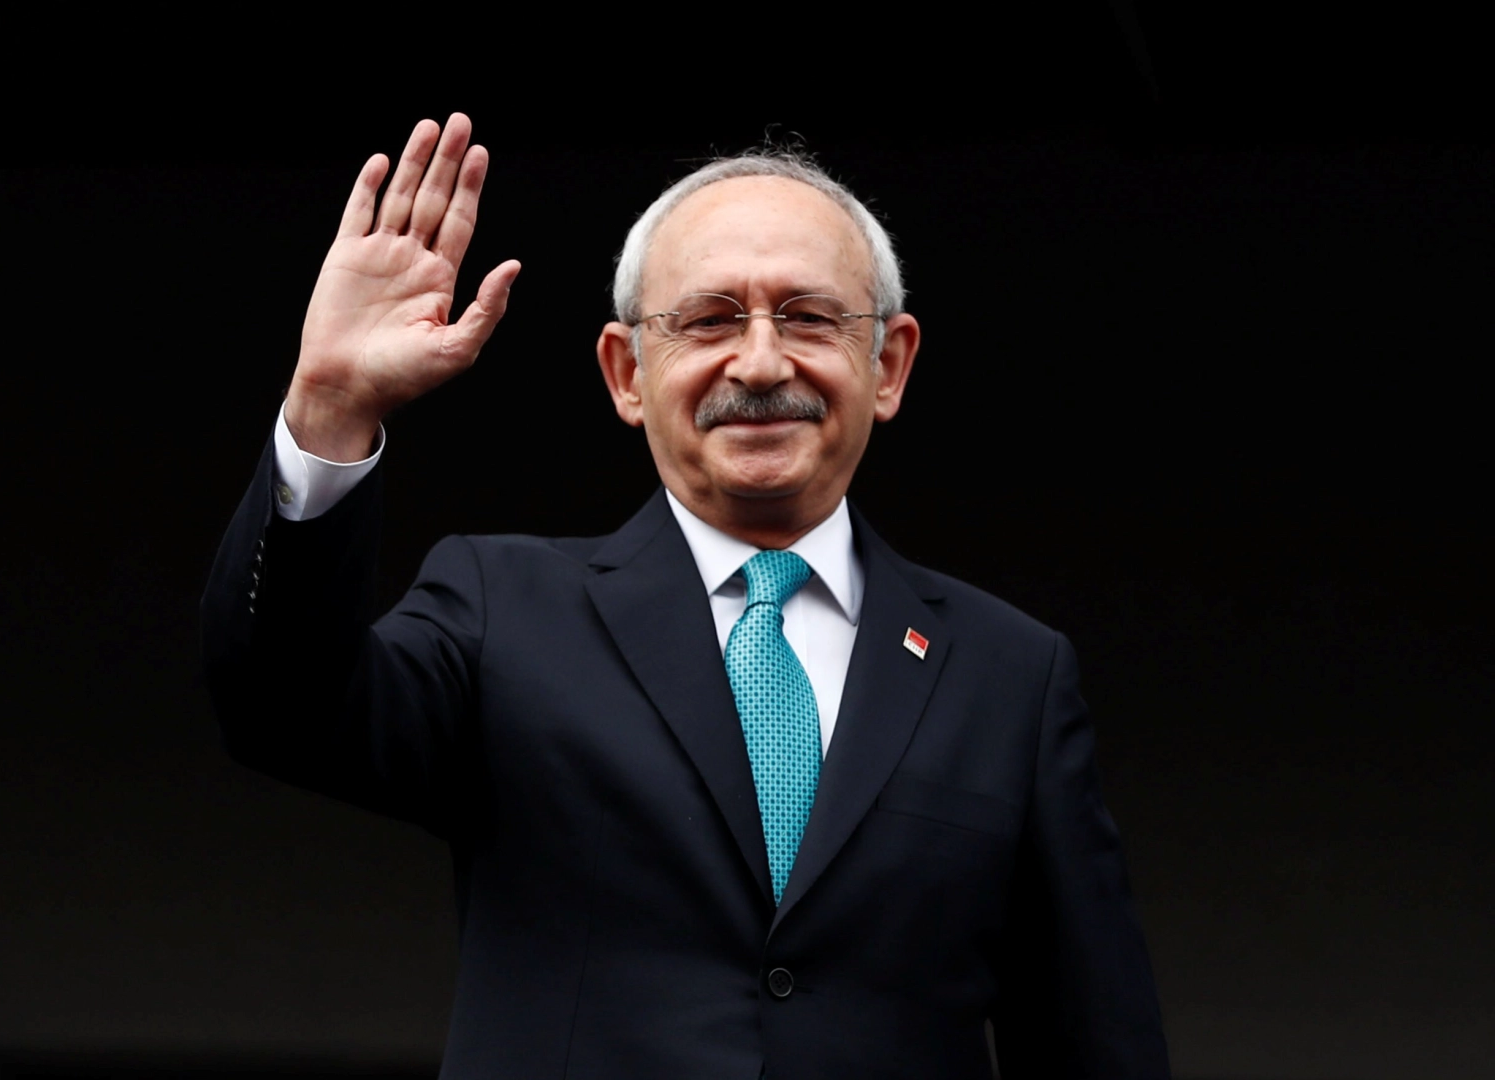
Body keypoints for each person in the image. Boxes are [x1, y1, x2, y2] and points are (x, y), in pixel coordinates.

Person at [202, 113, 1170, 1079]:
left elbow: (1095, 1040)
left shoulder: (1011, 675)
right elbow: (282, 709)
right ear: (627, 373)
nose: (760, 364)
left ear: (889, 365)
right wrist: (329, 406)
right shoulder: (505, 609)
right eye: (708, 320)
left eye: (810, 317)